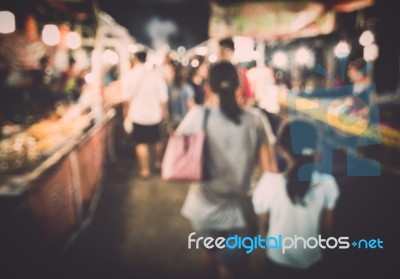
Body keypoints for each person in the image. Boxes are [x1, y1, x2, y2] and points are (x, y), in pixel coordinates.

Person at [179, 61, 277, 279]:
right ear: (239, 86)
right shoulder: (255, 119)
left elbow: (179, 152)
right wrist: (267, 211)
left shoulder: (198, 116)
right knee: (232, 267)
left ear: (209, 88)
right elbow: (269, 171)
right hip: (241, 210)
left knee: (209, 254)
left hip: (203, 206)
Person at [252, 118, 340, 277]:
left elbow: (265, 222)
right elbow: (326, 230)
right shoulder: (327, 186)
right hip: (313, 261)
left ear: (281, 149)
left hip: (277, 260)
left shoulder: (268, 183)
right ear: (316, 150)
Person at [122, 50, 168, 179]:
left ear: (135, 59)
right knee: (157, 140)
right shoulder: (156, 75)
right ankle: (158, 163)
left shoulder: (129, 76)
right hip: (155, 115)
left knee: (140, 142)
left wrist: (126, 113)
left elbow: (125, 99)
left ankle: (145, 170)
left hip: (137, 115)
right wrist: (165, 112)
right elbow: (163, 98)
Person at [217, 37, 254, 107]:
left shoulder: (240, 73)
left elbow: (248, 97)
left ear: (228, 52)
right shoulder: (215, 73)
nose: (218, 56)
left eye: (220, 52)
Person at [166, 60, 196, 131]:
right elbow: (192, 107)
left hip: (171, 122)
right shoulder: (187, 88)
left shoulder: (168, 87)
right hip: (184, 122)